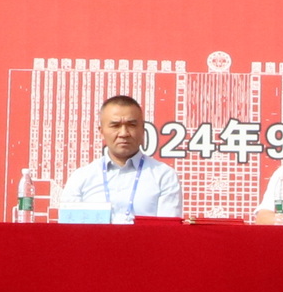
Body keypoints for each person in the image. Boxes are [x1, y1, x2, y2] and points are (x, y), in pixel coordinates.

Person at [52, 93, 185, 223]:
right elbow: (69, 230)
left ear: (143, 130)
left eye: (131, 125)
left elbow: (167, 231)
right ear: (101, 131)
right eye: (115, 125)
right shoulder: (81, 177)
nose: (124, 133)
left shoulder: (164, 176)